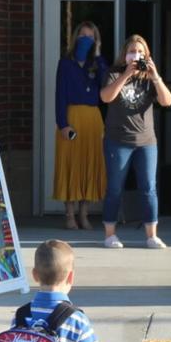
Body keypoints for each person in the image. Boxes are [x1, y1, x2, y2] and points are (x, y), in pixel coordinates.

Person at [99, 34, 171, 249]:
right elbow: (105, 97)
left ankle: (152, 235)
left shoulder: (149, 78)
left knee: (149, 187)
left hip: (146, 141)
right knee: (115, 187)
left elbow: (166, 101)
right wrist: (126, 74)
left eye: (141, 52)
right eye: (132, 51)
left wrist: (155, 76)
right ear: (125, 55)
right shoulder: (114, 73)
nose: (136, 55)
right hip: (117, 140)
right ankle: (110, 234)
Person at [53, 21, 108, 230]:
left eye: (91, 36)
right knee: (71, 164)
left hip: (92, 118)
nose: (86, 39)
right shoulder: (65, 63)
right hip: (72, 116)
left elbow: (105, 88)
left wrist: (97, 58)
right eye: (83, 35)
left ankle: (84, 214)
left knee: (89, 164)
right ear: (76, 37)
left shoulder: (98, 62)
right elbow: (60, 95)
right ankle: (69, 215)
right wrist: (63, 124)